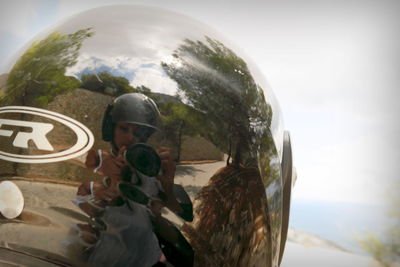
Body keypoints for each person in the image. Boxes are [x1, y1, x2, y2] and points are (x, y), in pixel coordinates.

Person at [74, 93, 192, 267]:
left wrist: (166, 185)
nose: (130, 138)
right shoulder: (101, 163)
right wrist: (110, 187)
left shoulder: (153, 170)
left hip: (146, 258)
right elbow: (82, 204)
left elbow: (186, 218)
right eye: (124, 128)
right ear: (110, 129)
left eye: (139, 133)